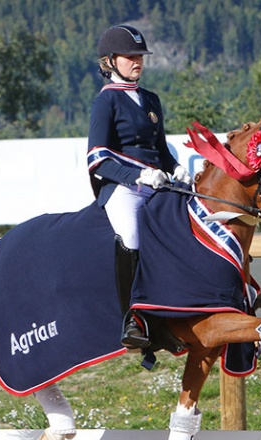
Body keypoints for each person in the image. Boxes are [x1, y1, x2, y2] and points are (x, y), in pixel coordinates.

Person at [87, 25, 191, 349]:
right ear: (110, 61)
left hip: (158, 183)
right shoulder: (106, 103)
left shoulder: (151, 100)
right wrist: (137, 177)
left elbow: (159, 149)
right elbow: (96, 158)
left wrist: (177, 169)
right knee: (131, 235)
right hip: (123, 188)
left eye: (140, 56)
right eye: (130, 56)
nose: (137, 62)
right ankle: (132, 319)